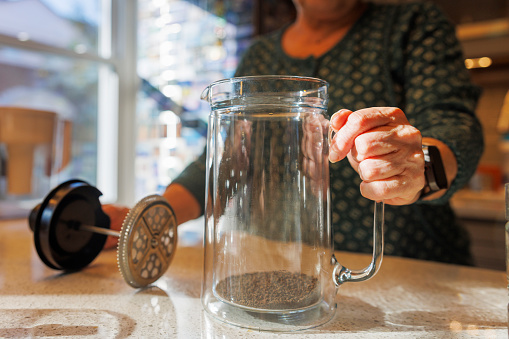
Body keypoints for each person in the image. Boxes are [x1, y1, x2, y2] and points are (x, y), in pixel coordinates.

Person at [105, 0, 483, 265]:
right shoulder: (259, 56)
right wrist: (154, 215)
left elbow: (454, 123)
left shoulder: (413, 24)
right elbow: (222, 157)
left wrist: (418, 167)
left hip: (410, 267)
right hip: (283, 271)